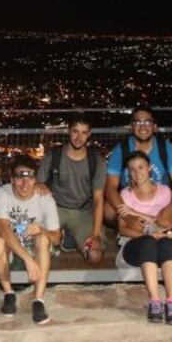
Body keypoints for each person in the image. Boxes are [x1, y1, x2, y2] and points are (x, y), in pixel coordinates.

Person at [0, 154, 61, 325]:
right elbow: (4, 230)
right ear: (12, 179)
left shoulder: (45, 198)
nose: (24, 184)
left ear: (35, 179)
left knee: (43, 239)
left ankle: (38, 300)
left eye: (29, 177)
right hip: (14, 248)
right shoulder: (2, 194)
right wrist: (29, 261)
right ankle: (9, 294)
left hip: (38, 249)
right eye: (19, 177)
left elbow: (56, 239)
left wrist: (41, 229)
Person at [117, 151, 172, 325]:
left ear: (150, 168)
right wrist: (150, 233)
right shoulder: (125, 194)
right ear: (128, 173)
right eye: (132, 169)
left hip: (161, 244)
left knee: (167, 243)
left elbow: (168, 226)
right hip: (134, 246)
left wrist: (136, 213)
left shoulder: (165, 192)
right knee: (148, 241)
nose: (137, 173)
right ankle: (154, 301)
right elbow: (123, 230)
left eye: (141, 167)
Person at [36, 112, 106, 264]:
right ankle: (61, 236)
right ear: (68, 131)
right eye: (75, 131)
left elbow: (98, 200)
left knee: (94, 255)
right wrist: (40, 186)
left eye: (84, 133)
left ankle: (67, 237)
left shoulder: (96, 161)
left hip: (82, 213)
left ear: (89, 134)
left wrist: (96, 234)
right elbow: (37, 184)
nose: (79, 137)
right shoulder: (53, 156)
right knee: (37, 246)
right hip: (55, 210)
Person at [105, 105, 172, 230]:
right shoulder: (121, 150)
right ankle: (130, 228)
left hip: (160, 202)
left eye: (147, 122)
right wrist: (127, 216)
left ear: (155, 127)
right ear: (131, 127)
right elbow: (110, 187)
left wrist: (170, 208)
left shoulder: (165, 148)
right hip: (131, 204)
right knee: (107, 210)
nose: (143, 126)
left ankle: (161, 227)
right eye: (137, 122)